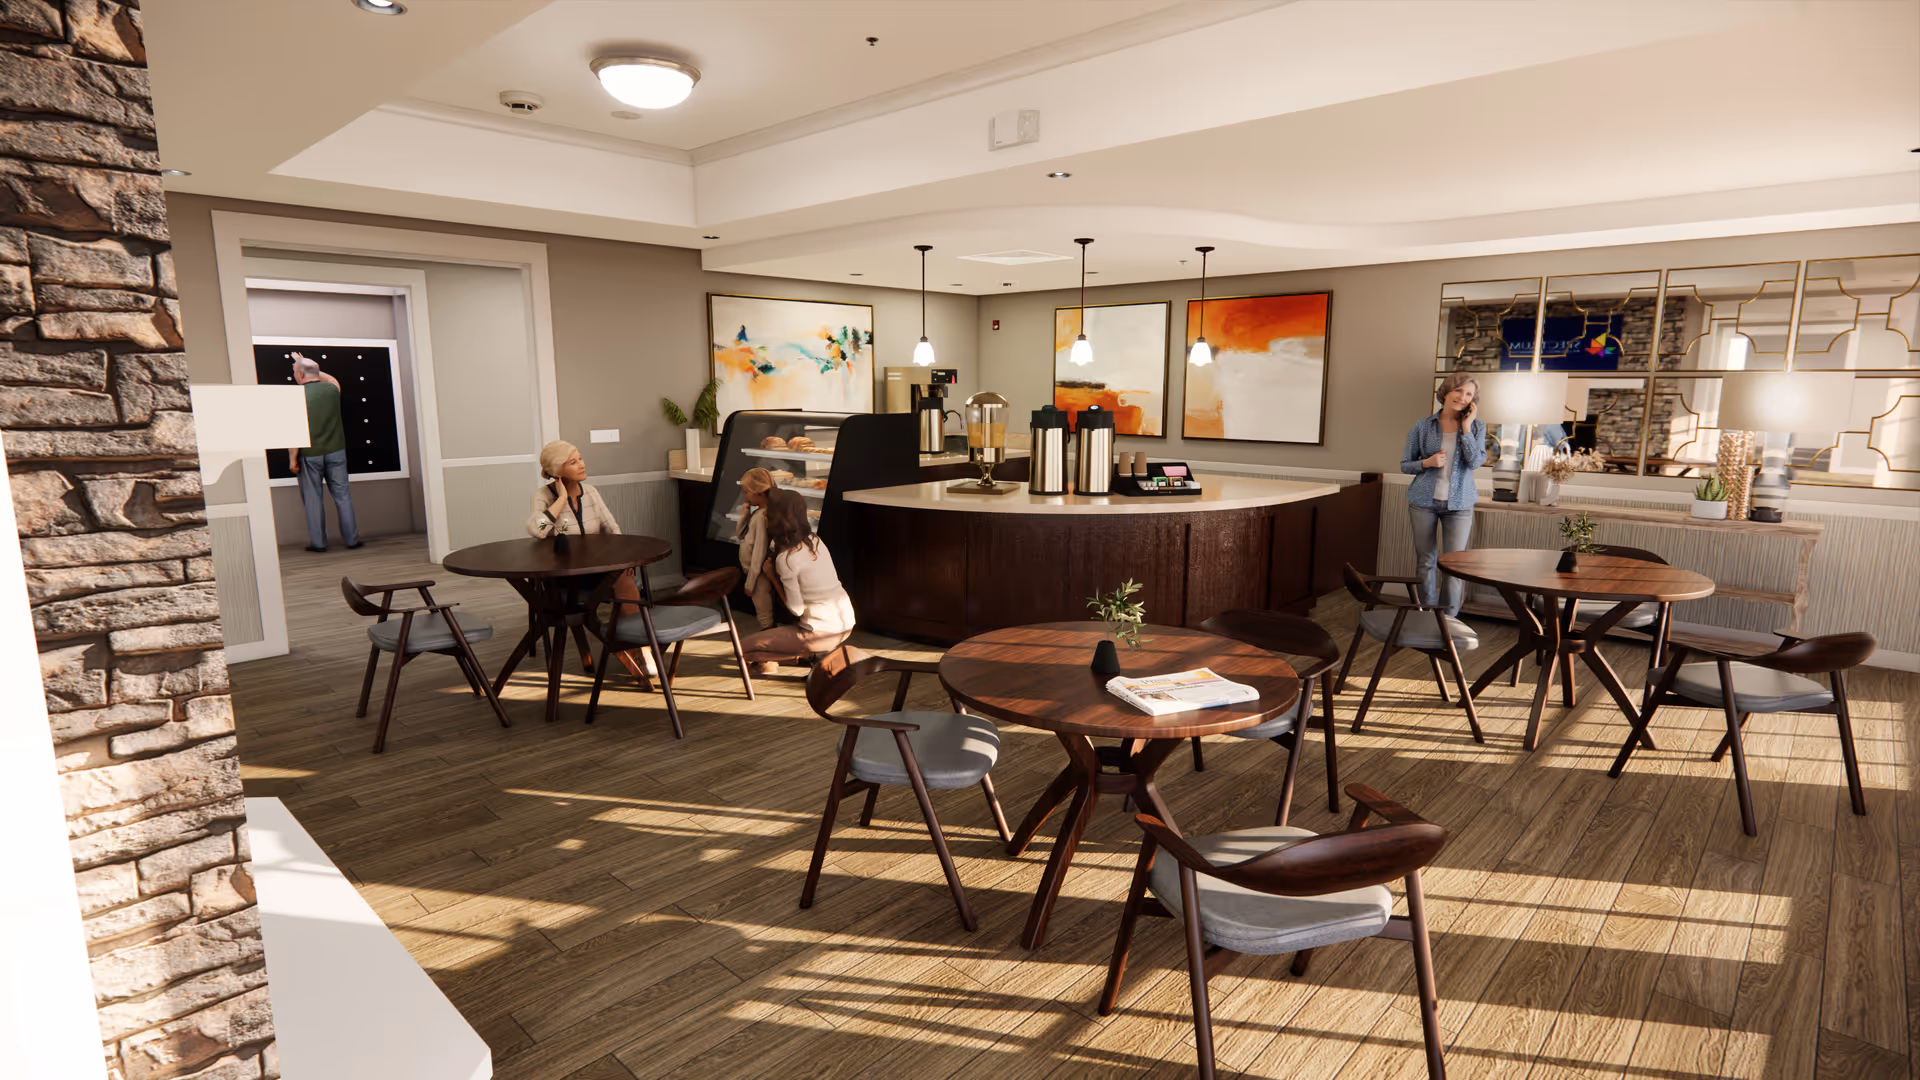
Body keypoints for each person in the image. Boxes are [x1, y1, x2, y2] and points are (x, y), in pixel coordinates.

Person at [739, 489, 854, 675]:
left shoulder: (786, 559)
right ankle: (809, 656)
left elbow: (796, 609)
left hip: (818, 633)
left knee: (742, 649)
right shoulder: (815, 540)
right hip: (846, 624)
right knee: (775, 639)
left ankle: (810, 654)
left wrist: (773, 578)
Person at [1401, 372, 1486, 617]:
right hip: (1422, 503)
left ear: (1473, 402)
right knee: (1426, 562)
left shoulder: (1477, 427)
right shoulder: (1422, 426)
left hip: (1459, 505)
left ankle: (1447, 620)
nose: (1462, 397)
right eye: (1458, 390)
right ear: (1446, 392)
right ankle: (1427, 616)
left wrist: (1467, 429)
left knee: (1454, 566)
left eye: (1469, 394)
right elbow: (1405, 465)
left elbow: (1474, 462)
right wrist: (1426, 462)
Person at [527, 439, 644, 611]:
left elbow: (612, 528)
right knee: (623, 580)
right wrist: (561, 499)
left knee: (623, 576)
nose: (582, 465)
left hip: (596, 566)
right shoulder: (543, 496)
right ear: (557, 470)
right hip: (562, 573)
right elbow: (537, 531)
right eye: (573, 462)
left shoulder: (590, 492)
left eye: (580, 459)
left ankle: (629, 631)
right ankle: (633, 633)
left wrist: (623, 560)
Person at [287, 352, 361, 552]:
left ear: (301, 375)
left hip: (310, 455)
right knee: (343, 496)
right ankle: (352, 540)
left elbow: (294, 434)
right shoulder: (332, 389)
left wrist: (293, 459)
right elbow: (332, 378)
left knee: (312, 499)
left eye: (295, 372)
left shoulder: (295, 396)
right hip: (336, 451)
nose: (294, 376)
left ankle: (319, 543)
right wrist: (310, 366)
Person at [735, 468, 778, 630]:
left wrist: (750, 582)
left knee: (763, 609)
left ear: (759, 493)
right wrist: (746, 514)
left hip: (759, 574)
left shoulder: (762, 517)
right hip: (756, 572)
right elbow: (740, 534)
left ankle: (768, 636)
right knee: (763, 606)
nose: (745, 496)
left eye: (747, 492)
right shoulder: (758, 513)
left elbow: (759, 552)